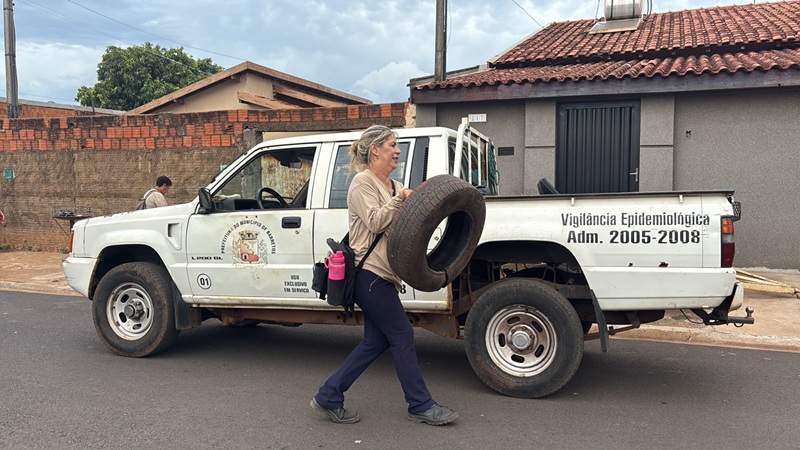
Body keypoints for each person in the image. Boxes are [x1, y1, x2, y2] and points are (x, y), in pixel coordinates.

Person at [310, 125, 459, 426]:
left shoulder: (394, 185)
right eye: (392, 144)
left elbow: (401, 233)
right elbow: (376, 222)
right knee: (402, 333)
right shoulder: (361, 183)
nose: (398, 150)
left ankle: (329, 395)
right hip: (369, 274)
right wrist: (401, 198)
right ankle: (420, 404)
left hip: (386, 275)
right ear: (375, 149)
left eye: (397, 145)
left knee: (375, 342)